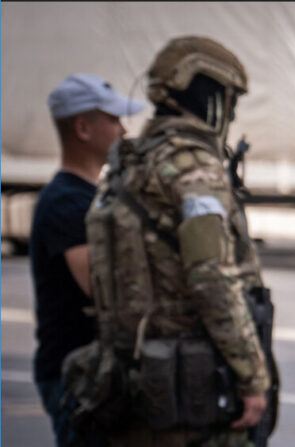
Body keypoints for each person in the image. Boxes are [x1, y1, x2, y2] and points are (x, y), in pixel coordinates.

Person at [72, 36, 278, 446]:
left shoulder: (129, 162)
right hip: (192, 397)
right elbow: (213, 278)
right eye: (226, 99)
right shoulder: (194, 168)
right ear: (207, 95)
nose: (229, 112)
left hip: (133, 386)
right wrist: (253, 376)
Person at [30, 74, 145, 446]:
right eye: (113, 120)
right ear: (82, 128)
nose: (123, 130)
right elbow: (103, 290)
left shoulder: (87, 195)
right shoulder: (66, 202)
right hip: (75, 376)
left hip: (92, 372)